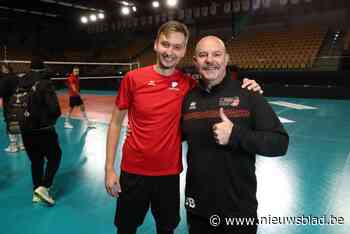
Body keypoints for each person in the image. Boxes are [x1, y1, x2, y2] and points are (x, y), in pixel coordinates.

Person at [105, 21, 262, 234]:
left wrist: (248, 85)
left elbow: (217, 90)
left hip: (168, 174)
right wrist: (109, 170)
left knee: (166, 227)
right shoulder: (133, 79)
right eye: (165, 44)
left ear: (184, 51)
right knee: (126, 228)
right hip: (133, 170)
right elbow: (115, 122)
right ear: (156, 45)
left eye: (177, 47)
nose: (169, 52)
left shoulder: (189, 85)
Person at [181, 36, 289, 234]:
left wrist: (236, 135)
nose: (210, 60)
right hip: (198, 209)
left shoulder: (248, 93)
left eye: (216, 54)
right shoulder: (187, 99)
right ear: (195, 61)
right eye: (203, 55)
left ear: (226, 59)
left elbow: (280, 143)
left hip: (238, 210)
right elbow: (173, 135)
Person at [0, 58, 62, 205]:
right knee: (55, 156)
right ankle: (45, 187)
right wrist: (50, 120)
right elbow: (55, 109)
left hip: (25, 129)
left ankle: (36, 190)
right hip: (44, 129)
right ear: (42, 68)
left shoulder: (20, 81)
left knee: (36, 160)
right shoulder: (44, 83)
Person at [0, 63, 25, 153]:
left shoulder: (4, 79)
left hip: (9, 105)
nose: (2, 69)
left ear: (6, 69)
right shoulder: (17, 77)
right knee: (18, 122)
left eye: (2, 68)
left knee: (10, 123)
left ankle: (13, 146)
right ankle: (21, 145)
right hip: (19, 103)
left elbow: (1, 92)